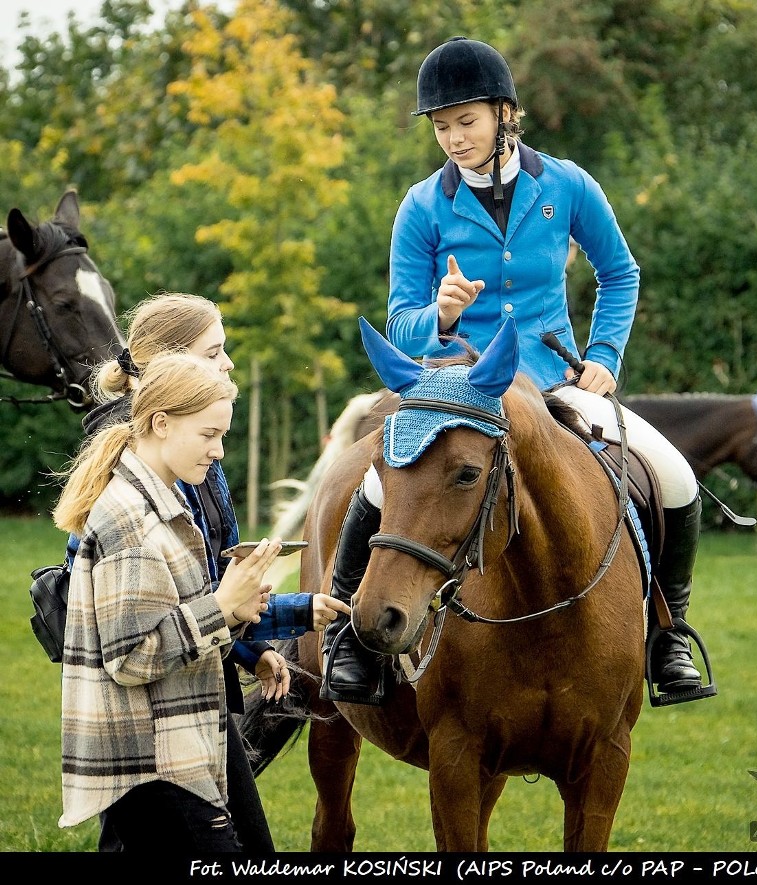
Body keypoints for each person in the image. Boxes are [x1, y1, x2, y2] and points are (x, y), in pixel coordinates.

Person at [320, 36, 715, 708]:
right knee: (375, 486)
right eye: (441, 126)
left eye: (465, 121)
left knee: (673, 475)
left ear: (506, 112)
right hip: (454, 388)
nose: (452, 138)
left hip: (555, 382)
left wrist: (606, 357)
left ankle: (668, 636)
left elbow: (621, 272)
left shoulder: (566, 184)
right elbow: (400, 323)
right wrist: (439, 316)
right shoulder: (421, 206)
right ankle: (351, 644)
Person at [66, 291, 347, 851]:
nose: (229, 361)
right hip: (151, 740)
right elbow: (134, 648)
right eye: (215, 351)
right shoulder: (132, 508)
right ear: (168, 391)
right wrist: (242, 610)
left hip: (189, 715)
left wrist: (259, 630)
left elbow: (198, 591)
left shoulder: (175, 471)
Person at [53, 352, 284, 852]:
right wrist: (219, 607)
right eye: (208, 435)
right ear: (161, 423)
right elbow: (131, 657)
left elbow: (172, 622)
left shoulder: (165, 501)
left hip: (180, 753)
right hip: (152, 765)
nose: (219, 451)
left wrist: (237, 608)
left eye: (222, 436)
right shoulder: (129, 519)